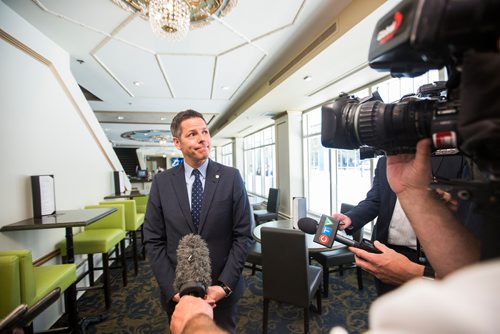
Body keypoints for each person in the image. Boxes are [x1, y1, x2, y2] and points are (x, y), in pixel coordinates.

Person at [143, 109, 253, 333]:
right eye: (192, 134)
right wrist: (172, 290)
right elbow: (153, 239)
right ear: (177, 142)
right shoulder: (162, 183)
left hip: (220, 290)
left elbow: (243, 235)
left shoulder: (232, 178)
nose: (202, 138)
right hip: (177, 291)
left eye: (205, 131)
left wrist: (223, 286)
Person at [333, 154, 466, 295]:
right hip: (385, 251)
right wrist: (350, 218)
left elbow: (466, 210)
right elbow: (374, 200)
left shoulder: (455, 159)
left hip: (429, 260)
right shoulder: (384, 161)